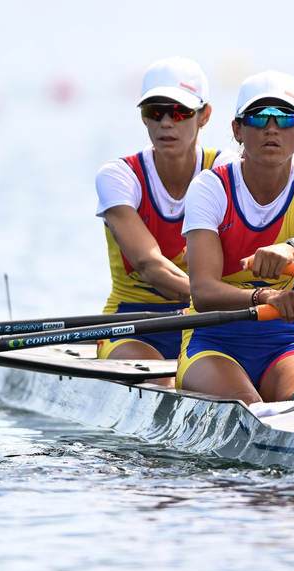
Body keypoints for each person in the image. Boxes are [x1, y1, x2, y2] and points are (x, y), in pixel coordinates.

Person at [177, 70, 294, 405]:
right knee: (246, 406)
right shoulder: (210, 188)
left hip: (286, 339)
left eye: (285, 118)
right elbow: (204, 291)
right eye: (258, 117)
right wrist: (264, 298)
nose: (271, 127)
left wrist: (291, 250)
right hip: (213, 339)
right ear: (238, 130)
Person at [95, 57, 234, 381]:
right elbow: (150, 266)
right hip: (134, 328)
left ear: (205, 116)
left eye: (180, 111)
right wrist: (218, 297)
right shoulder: (119, 177)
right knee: (163, 381)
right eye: (154, 111)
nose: (166, 123)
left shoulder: (225, 170)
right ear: (143, 117)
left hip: (208, 323)